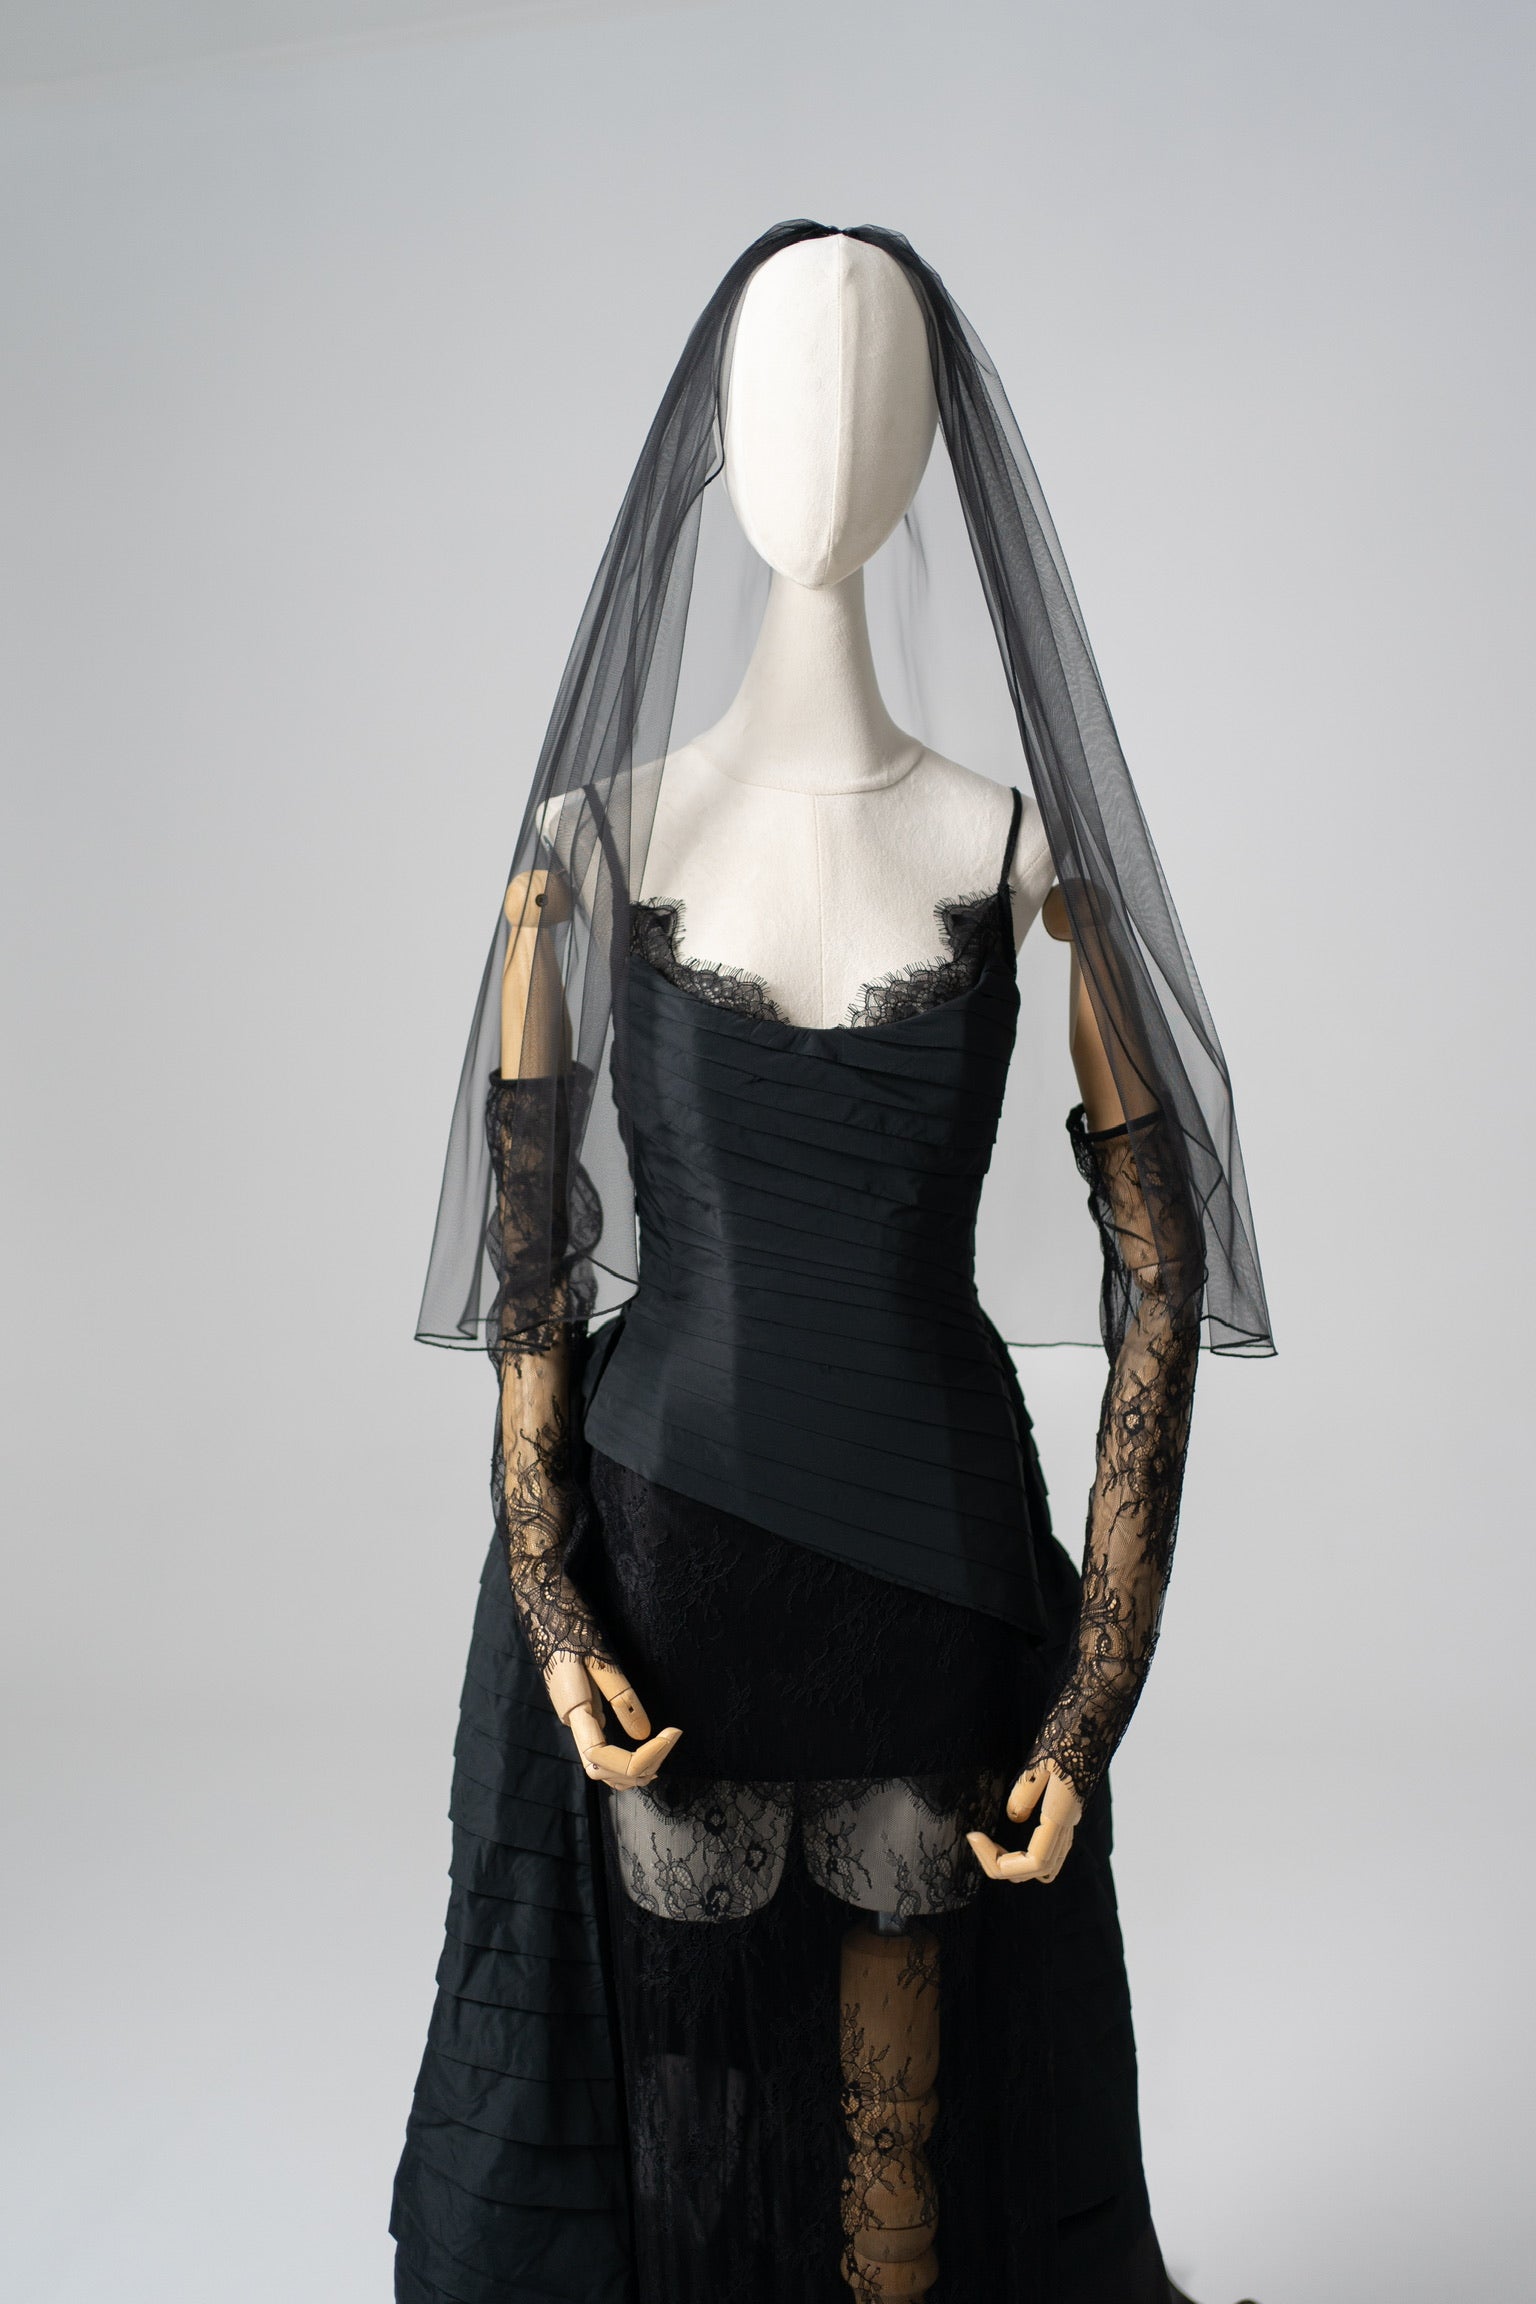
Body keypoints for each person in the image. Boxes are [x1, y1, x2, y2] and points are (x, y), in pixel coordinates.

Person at [393, 221, 1270, 2304]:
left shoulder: (1015, 850)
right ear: (719, 423)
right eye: (792, 379)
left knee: (895, 2167)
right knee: (696, 2116)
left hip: (925, 1575)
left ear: (929, 438)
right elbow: (533, 1271)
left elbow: (1165, 1276)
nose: (831, 430)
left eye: (873, 386)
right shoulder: (592, 843)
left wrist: (1096, 1688)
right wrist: (553, 1598)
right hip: (667, 1558)